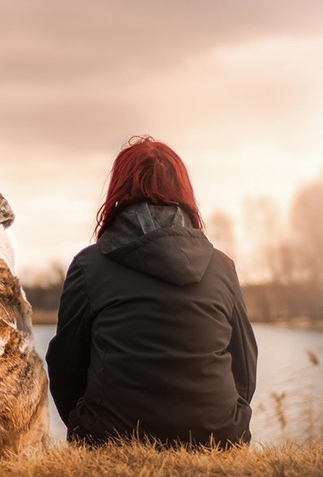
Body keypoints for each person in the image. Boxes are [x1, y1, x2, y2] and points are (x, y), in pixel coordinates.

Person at [45, 135, 258, 448]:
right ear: (183, 191)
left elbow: (65, 366)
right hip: (218, 437)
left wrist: (85, 424)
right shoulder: (221, 266)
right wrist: (226, 419)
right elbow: (245, 364)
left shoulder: (89, 266)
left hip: (111, 437)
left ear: (118, 190)